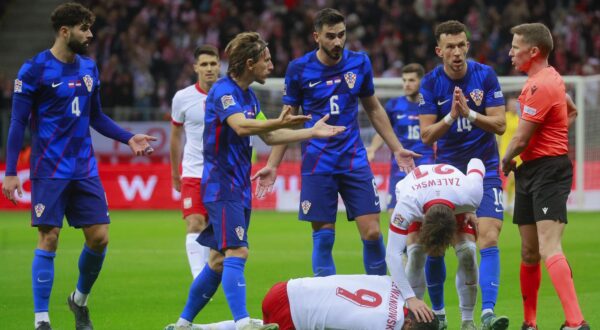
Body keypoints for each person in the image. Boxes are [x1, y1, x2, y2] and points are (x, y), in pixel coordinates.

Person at [165, 32, 346, 330]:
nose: (272, 66)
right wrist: (279, 121)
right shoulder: (224, 92)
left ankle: (182, 324)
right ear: (250, 63)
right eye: (266, 60)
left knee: (217, 261)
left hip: (238, 187)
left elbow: (270, 136)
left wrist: (312, 132)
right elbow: (241, 126)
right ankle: (243, 323)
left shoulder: (248, 96)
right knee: (238, 251)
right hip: (222, 187)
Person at [0, 3, 156, 330]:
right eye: (84, 29)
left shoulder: (89, 69)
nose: (90, 35)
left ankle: (79, 300)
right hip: (49, 168)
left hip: (84, 167)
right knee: (49, 237)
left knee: (99, 238)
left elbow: (95, 116)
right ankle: (41, 319)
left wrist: (128, 138)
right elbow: (17, 122)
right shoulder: (34, 69)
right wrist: (11, 171)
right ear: (64, 31)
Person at [255, 8, 419, 278]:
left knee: (373, 232)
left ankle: (380, 301)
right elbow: (288, 120)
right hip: (317, 162)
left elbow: (374, 109)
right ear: (316, 36)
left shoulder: (359, 63)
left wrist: (396, 147)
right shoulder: (299, 69)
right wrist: (273, 164)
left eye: (341, 35)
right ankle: (326, 305)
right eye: (330, 36)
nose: (337, 42)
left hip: (353, 158)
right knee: (324, 237)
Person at [418, 20, 508, 330]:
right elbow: (427, 135)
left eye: (462, 45)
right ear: (439, 50)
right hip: (447, 178)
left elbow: (500, 125)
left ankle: (487, 314)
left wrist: (469, 113)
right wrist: (451, 116)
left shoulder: (485, 75)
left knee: (489, 236)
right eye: (450, 47)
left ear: (467, 46)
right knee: (439, 243)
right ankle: (440, 314)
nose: (457, 52)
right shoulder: (430, 84)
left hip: (485, 172)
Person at [503, 23, 588, 330]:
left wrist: (505, 160)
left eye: (515, 46)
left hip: (549, 170)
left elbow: (521, 139)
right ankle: (530, 323)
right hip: (531, 170)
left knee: (549, 246)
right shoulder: (544, 81)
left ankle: (576, 323)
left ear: (533, 51)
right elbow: (571, 110)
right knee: (529, 250)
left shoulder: (541, 85)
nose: (511, 52)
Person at [386, 158, 485, 330]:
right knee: (416, 255)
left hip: (455, 199)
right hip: (419, 200)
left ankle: (468, 322)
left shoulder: (471, 194)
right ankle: (415, 318)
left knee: (468, 252)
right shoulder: (407, 204)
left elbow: (476, 162)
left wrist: (470, 208)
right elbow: (391, 255)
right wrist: (410, 297)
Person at [168, 275, 438, 330]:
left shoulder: (393, 286)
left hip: (285, 288)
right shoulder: (386, 326)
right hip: (290, 315)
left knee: (264, 326)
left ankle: (195, 328)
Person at [170, 45, 220, 279]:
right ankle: (198, 278)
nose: (209, 69)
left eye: (213, 64)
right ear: (196, 68)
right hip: (192, 172)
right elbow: (176, 135)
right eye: (204, 64)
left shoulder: (229, 95)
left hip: (221, 173)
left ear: (219, 66)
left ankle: (210, 274)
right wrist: (174, 172)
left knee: (216, 231)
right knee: (194, 223)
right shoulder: (183, 98)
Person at [366, 63, 435, 212]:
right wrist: (372, 149)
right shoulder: (394, 105)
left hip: (425, 164)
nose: (407, 84)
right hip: (400, 166)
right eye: (404, 80)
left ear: (421, 81)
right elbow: (383, 132)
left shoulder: (430, 105)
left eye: (411, 80)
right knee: (394, 212)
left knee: (427, 213)